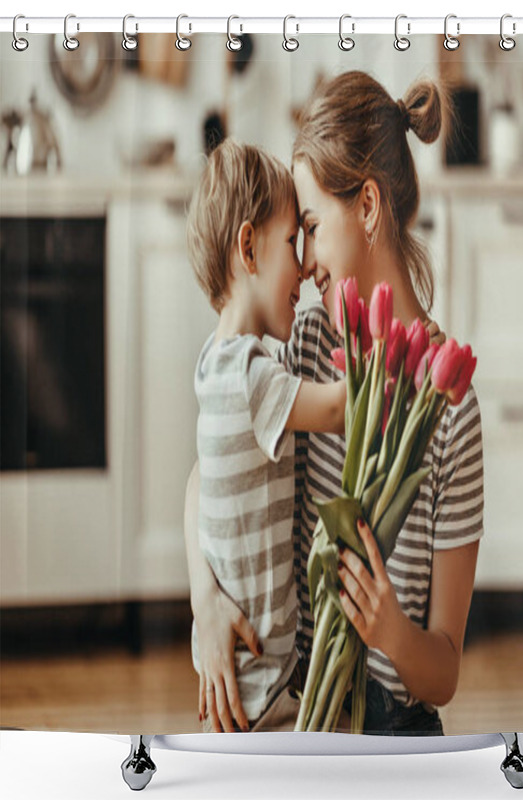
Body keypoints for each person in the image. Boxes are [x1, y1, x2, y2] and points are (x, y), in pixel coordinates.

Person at [185, 71, 484, 735]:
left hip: (390, 723)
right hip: (297, 705)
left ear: (369, 207)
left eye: (313, 227)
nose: (305, 258)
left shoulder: (450, 407)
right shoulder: (312, 343)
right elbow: (211, 473)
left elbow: (444, 672)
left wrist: (391, 632)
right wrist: (205, 603)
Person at [185, 138, 347, 733]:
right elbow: (337, 411)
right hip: (263, 686)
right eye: (290, 241)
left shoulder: (214, 364)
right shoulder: (252, 377)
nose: (304, 267)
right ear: (248, 248)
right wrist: (387, 348)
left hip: (247, 680)